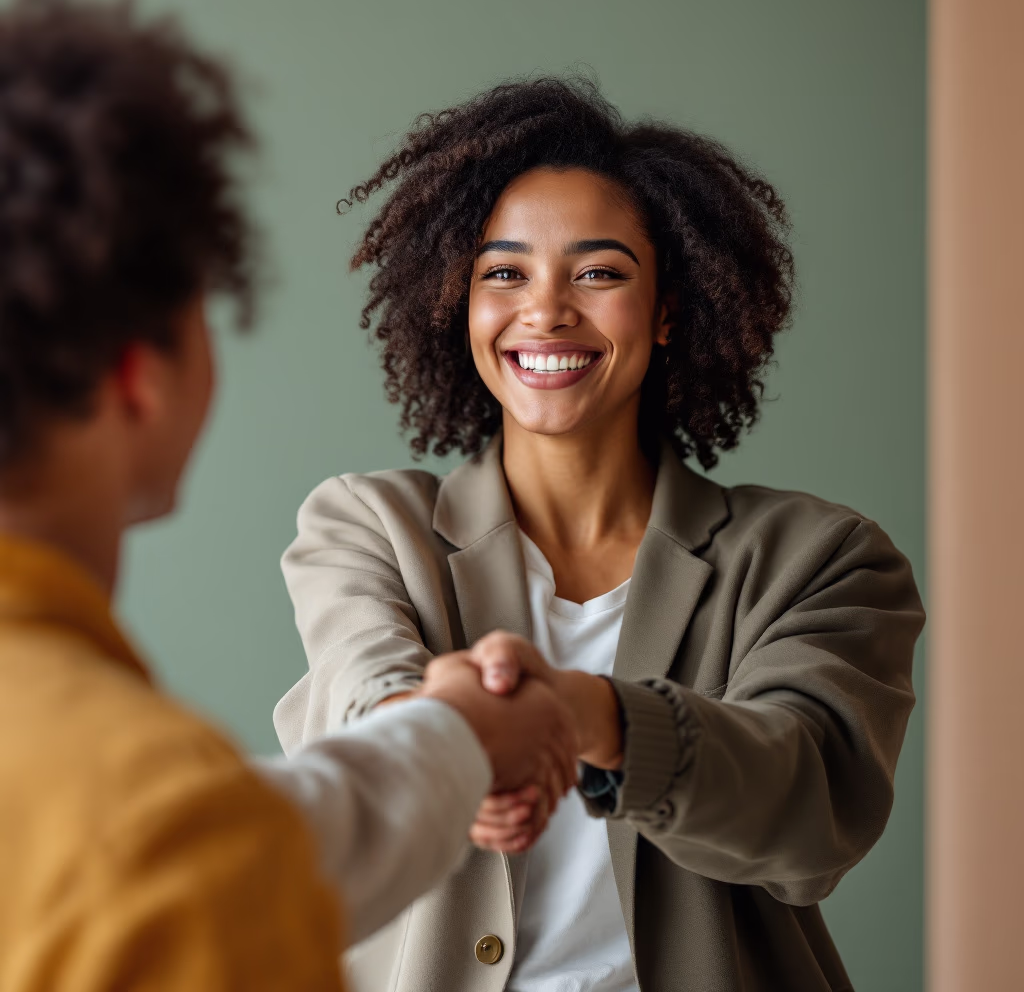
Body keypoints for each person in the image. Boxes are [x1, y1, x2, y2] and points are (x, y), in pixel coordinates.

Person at [276, 77, 927, 992]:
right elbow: (360, 684)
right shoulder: (369, 524)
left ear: (667, 309)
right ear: (458, 303)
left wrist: (593, 715)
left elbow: (809, 818)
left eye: (599, 272)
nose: (545, 311)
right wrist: (439, 732)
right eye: (504, 272)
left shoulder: (819, 558)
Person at [0, 0, 578, 991]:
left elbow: (261, 834)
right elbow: (194, 851)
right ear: (142, 371)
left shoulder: (152, 824)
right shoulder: (157, 825)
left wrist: (456, 737)